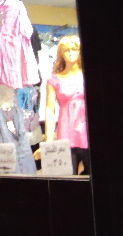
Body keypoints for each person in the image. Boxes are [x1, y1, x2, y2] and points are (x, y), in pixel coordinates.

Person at [44, 35, 89, 175]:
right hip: (66, 135)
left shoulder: (87, 75)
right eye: (66, 50)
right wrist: (48, 142)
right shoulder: (54, 80)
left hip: (87, 134)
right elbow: (49, 110)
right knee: (68, 178)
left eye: (74, 49)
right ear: (61, 53)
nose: (70, 53)